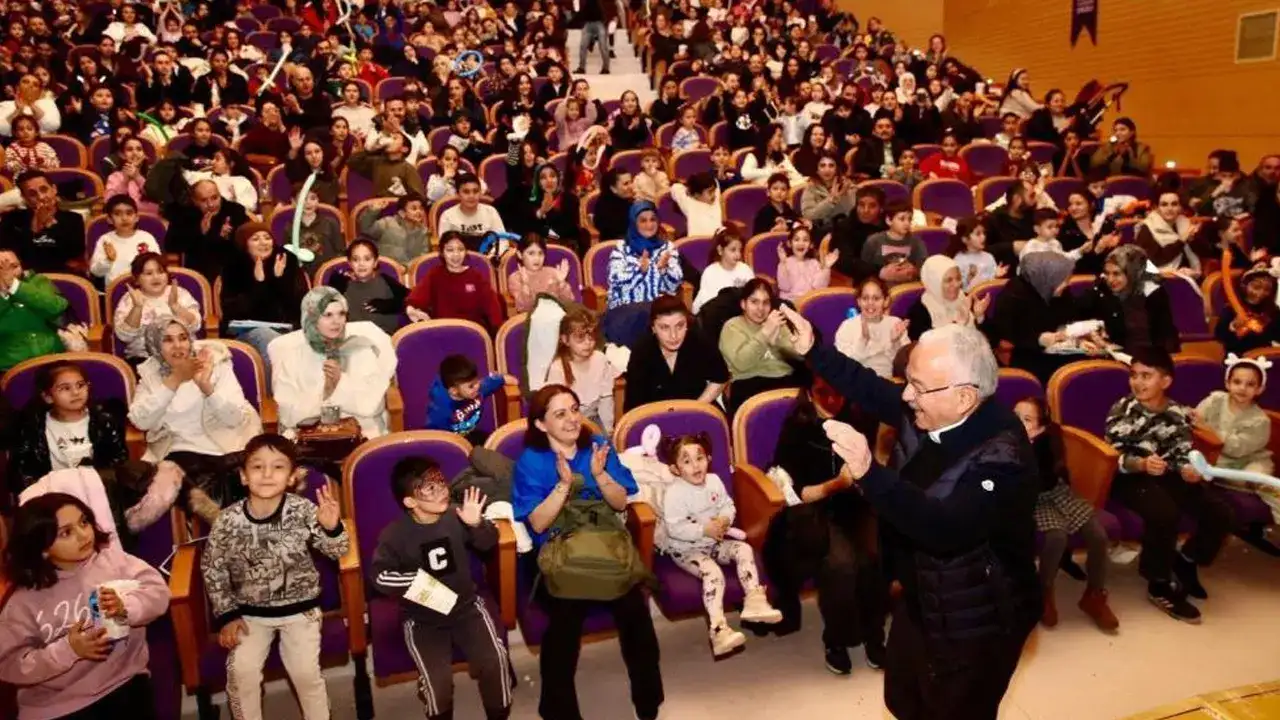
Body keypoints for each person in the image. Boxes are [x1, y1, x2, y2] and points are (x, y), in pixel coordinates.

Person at [779, 309, 1041, 720]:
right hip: (924, 596)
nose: (905, 397)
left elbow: (945, 527)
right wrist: (816, 349)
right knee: (904, 700)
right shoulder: (932, 407)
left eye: (917, 387)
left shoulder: (1002, 456)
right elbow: (872, 389)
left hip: (979, 616)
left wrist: (869, 472)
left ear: (965, 397)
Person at [511, 385, 663, 720]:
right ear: (541, 424)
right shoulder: (531, 463)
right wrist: (563, 485)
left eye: (575, 409)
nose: (572, 419)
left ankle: (648, 703)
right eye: (560, 413)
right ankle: (559, 710)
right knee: (564, 622)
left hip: (605, 546)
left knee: (635, 612)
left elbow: (621, 502)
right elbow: (537, 523)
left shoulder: (597, 447)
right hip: (558, 554)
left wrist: (598, 473)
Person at [202, 434, 348, 720]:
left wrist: (331, 528)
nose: (267, 474)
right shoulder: (227, 521)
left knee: (306, 674)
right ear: (244, 476)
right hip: (249, 615)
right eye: (257, 467)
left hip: (300, 611)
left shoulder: (304, 511)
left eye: (278, 467)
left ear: (292, 477)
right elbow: (213, 567)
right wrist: (227, 614)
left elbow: (337, 550)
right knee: (241, 673)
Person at [0, 493, 170, 719]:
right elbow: (10, 664)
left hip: (123, 683)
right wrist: (68, 650)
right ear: (43, 548)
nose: (83, 535)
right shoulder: (23, 602)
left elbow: (159, 593)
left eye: (84, 522)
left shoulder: (114, 561)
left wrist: (126, 609)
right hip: (54, 707)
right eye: (66, 532)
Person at [372, 458, 512, 720]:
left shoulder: (457, 515)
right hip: (423, 619)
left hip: (466, 608)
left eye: (440, 482)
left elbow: (487, 543)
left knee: (495, 660)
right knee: (438, 683)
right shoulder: (394, 535)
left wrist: (476, 524)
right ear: (410, 502)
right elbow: (379, 576)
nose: (443, 491)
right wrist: (420, 585)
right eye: (430, 489)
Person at [763, 382, 888, 674]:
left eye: (839, 391)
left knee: (875, 556)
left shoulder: (858, 419)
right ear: (809, 392)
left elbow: (876, 465)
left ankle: (874, 634)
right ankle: (837, 639)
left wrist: (866, 473)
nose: (832, 399)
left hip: (854, 503)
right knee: (840, 564)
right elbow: (797, 493)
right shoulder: (797, 429)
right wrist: (838, 484)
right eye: (823, 393)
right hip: (813, 510)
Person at [1104, 347, 1234, 622]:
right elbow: (1113, 455)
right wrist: (1141, 464)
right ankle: (1158, 581)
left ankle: (1186, 560)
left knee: (1220, 512)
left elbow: (1181, 452)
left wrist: (1188, 469)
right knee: (1164, 513)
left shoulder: (1176, 412)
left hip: (1167, 474)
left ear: (1165, 381)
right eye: (1134, 375)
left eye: (1146, 376)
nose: (1137, 382)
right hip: (1129, 477)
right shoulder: (1123, 408)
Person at [659, 431, 782, 657]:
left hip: (714, 542)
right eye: (686, 461)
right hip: (686, 551)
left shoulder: (714, 481)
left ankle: (754, 599)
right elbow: (674, 529)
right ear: (676, 469)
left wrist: (725, 519)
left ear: (709, 459)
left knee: (743, 549)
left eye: (700, 457)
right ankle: (718, 630)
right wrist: (703, 529)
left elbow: (727, 505)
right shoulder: (674, 493)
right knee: (713, 573)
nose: (696, 465)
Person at [129, 317, 262, 514]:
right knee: (194, 487)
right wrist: (174, 381)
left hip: (230, 445)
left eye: (183, 338)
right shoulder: (151, 374)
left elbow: (234, 418)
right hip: (182, 452)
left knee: (252, 479)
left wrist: (207, 388)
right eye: (167, 340)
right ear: (155, 345)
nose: (178, 346)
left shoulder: (215, 364)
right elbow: (140, 420)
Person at [1013, 397, 1118, 630]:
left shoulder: (1047, 442)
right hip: (1031, 501)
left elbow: (1051, 478)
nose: (1018, 423)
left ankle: (1095, 594)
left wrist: (1035, 448)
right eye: (1015, 416)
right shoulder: (1004, 442)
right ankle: (1044, 591)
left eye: (1027, 420)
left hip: (1057, 492)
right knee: (1056, 535)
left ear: (1040, 427)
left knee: (1098, 535)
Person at [270, 287, 398, 440]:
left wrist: (340, 382)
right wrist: (326, 391)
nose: (336, 321)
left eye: (341, 314)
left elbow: (372, 405)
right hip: (308, 439)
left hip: (361, 434)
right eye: (327, 315)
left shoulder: (361, 349)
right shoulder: (293, 354)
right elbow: (288, 415)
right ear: (311, 318)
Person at [9, 360, 130, 489]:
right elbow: (22, 472)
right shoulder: (32, 425)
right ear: (47, 397)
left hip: (98, 487)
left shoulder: (105, 420)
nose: (76, 392)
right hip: (51, 492)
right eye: (65, 388)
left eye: (80, 385)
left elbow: (118, 462)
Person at [1196, 355, 1279, 524]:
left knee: (1265, 484)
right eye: (1237, 382)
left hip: (1250, 461)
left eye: (1250, 384)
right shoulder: (1215, 400)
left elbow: (1237, 448)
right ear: (1227, 383)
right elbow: (1195, 421)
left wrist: (1209, 430)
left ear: (1259, 389)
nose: (1242, 388)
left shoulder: (1260, 420)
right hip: (1217, 464)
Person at [219, 222, 308, 366]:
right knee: (267, 337)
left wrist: (279, 280)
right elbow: (233, 311)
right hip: (246, 333)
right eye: (255, 239)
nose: (263, 243)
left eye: (267, 238)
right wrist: (259, 284)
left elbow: (299, 306)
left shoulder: (286, 261)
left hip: (286, 329)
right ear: (245, 244)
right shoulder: (234, 267)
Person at [625, 295, 730, 411]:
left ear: (687, 324)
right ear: (653, 328)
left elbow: (721, 377)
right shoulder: (642, 351)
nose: (673, 336)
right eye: (664, 327)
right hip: (654, 415)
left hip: (696, 407)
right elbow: (633, 405)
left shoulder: (698, 341)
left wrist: (697, 407)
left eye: (680, 326)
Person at [719, 279, 805, 416]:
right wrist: (765, 333)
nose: (760, 308)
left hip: (785, 380)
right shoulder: (733, 326)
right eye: (754, 302)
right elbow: (742, 363)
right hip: (749, 382)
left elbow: (797, 357)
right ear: (743, 304)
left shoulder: (778, 323)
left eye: (766, 302)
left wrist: (777, 341)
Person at [1077, 246, 1180, 354]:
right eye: (1107, 273)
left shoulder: (1153, 293)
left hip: (1148, 358)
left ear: (1132, 273)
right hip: (1113, 355)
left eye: (1116, 274)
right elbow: (1077, 316)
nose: (1110, 280)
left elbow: (1164, 339)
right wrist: (1087, 337)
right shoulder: (1102, 288)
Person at [604, 201, 683, 344]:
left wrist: (664, 270)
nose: (649, 225)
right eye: (643, 220)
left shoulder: (667, 247)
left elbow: (674, 284)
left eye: (653, 219)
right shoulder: (622, 248)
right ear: (634, 222)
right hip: (626, 308)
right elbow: (615, 280)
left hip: (659, 309)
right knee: (644, 317)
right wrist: (639, 271)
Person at [112, 253, 202, 363]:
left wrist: (175, 306)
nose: (156, 277)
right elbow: (124, 336)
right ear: (136, 279)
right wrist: (137, 307)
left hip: (183, 354)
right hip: (144, 358)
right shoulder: (130, 299)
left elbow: (195, 326)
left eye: (160, 272)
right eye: (148, 273)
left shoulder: (180, 293)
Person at [406, 232, 504, 332]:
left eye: (460, 249)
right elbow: (416, 299)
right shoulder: (434, 275)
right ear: (442, 252)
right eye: (450, 250)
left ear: (466, 251)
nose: (456, 255)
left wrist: (498, 332)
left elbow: (492, 308)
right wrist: (411, 309)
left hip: (472, 332)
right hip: (443, 331)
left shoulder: (476, 276)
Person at [545, 308, 621, 434]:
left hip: (595, 422)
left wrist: (608, 431)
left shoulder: (600, 359)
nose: (587, 343)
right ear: (565, 339)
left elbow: (606, 400)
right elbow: (557, 411)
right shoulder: (557, 368)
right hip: (567, 425)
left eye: (591, 338)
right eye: (580, 338)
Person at [0, 170, 87, 275]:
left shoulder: (73, 219)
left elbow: (70, 257)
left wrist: (52, 227)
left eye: (44, 190)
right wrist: (35, 228)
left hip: (64, 278)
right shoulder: (12, 219)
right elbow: (15, 259)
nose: (41, 197)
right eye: (32, 194)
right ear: (24, 198)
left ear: (54, 189)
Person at [164, 179, 250, 282]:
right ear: (194, 201)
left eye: (214, 198)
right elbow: (170, 246)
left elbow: (246, 242)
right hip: (200, 270)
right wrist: (200, 232)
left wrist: (226, 237)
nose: (211, 205)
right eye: (204, 200)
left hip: (233, 269)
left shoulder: (235, 210)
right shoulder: (184, 215)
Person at [328, 238, 408, 336]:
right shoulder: (342, 283)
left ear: (375, 262)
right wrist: (335, 284)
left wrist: (390, 304)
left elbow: (410, 299)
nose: (361, 264)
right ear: (349, 263)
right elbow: (324, 308)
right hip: (351, 341)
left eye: (367, 259)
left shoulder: (386, 281)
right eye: (355, 259)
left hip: (386, 340)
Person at [835, 277, 910, 379]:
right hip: (858, 382)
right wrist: (863, 340)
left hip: (890, 380)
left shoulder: (895, 323)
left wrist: (895, 342)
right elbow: (844, 365)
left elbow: (905, 364)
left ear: (886, 301)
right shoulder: (847, 326)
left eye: (876, 298)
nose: (870, 303)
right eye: (865, 298)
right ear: (859, 301)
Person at [907, 255, 991, 342]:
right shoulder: (919, 311)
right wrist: (959, 325)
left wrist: (980, 316)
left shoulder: (967, 299)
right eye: (949, 280)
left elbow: (994, 341)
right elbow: (924, 349)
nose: (957, 284)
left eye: (958, 278)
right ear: (935, 282)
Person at [426, 354, 506, 446]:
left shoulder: (477, 390)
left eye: (476, 381)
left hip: (469, 435)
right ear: (454, 391)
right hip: (449, 442)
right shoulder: (440, 411)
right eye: (471, 386)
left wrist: (503, 379)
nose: (477, 386)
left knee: (490, 441)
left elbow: (489, 383)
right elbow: (436, 438)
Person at [90, 195, 162, 285]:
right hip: (115, 289)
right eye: (117, 214)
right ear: (109, 219)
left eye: (129, 213)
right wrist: (108, 260)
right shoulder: (105, 240)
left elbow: (159, 266)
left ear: (136, 217)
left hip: (145, 288)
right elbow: (96, 272)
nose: (124, 218)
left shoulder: (147, 238)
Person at [1214, 263, 1280, 356]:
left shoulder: (1273, 311)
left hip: (1265, 357)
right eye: (1256, 287)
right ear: (1244, 285)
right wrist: (1233, 326)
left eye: (1267, 290)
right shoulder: (1230, 309)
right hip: (1237, 358)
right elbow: (1220, 336)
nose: (1260, 293)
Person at [861, 200, 926, 286]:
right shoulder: (873, 241)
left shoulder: (917, 242)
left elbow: (924, 270)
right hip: (880, 288)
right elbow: (863, 269)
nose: (907, 223)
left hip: (906, 288)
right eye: (902, 219)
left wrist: (914, 271)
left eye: (909, 219)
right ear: (889, 220)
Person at [1135, 190, 1199, 276]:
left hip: (1187, 275)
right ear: (1156, 208)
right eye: (1164, 204)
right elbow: (1154, 261)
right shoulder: (1147, 228)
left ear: (1180, 207)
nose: (1169, 209)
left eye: (1174, 204)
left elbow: (1199, 254)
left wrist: (1195, 239)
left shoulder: (1185, 223)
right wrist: (1181, 241)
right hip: (1159, 278)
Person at [692, 228, 755, 315]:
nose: (738, 254)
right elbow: (708, 304)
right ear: (720, 250)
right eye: (733, 250)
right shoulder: (710, 272)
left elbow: (753, 296)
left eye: (740, 250)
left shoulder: (745, 269)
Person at [508, 234, 576, 314]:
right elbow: (524, 308)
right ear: (520, 254)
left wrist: (561, 283)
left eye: (540, 253)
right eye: (531, 253)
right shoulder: (516, 278)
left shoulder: (553, 272)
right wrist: (525, 284)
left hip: (558, 318)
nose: (537, 258)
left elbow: (570, 303)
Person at [358, 193, 431, 264]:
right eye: (414, 208)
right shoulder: (387, 223)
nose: (419, 212)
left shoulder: (424, 231)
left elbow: (422, 257)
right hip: (385, 268)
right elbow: (366, 228)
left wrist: (407, 268)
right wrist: (372, 211)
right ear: (402, 213)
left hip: (409, 271)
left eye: (421, 209)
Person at [777, 226, 836, 302]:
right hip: (789, 302)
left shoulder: (814, 263)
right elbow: (784, 286)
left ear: (811, 245)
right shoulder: (785, 262)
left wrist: (827, 267)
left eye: (805, 240)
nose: (801, 243)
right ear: (789, 243)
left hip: (808, 303)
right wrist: (783, 262)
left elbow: (819, 287)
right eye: (796, 240)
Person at [437, 173, 505, 239]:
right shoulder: (447, 216)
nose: (471, 196)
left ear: (480, 193)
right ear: (457, 194)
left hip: (489, 250)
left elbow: (502, 240)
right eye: (466, 192)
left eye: (475, 191)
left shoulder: (491, 212)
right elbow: (444, 246)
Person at [669, 172, 724, 238]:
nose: (714, 194)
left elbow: (715, 182)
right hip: (698, 243)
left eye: (714, 190)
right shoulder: (688, 202)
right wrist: (689, 190)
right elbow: (675, 187)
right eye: (710, 192)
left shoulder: (716, 198)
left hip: (719, 241)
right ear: (696, 195)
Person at [594, 169, 635, 241]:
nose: (631, 186)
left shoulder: (628, 202)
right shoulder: (604, 207)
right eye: (626, 184)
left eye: (631, 182)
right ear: (613, 188)